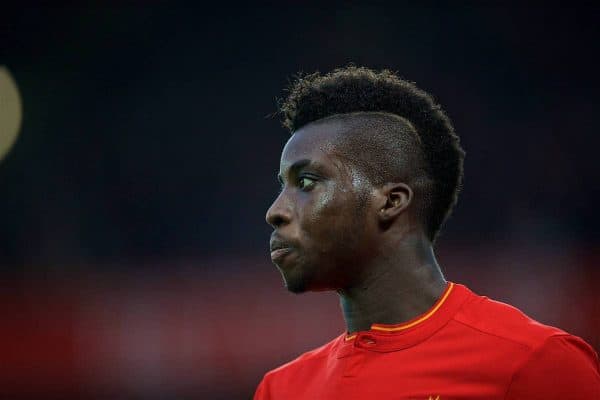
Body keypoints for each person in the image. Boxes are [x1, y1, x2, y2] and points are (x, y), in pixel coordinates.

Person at [255, 66, 600, 399]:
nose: (275, 212)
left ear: (390, 201)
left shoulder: (535, 362)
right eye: (282, 186)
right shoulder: (282, 389)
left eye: (306, 182)